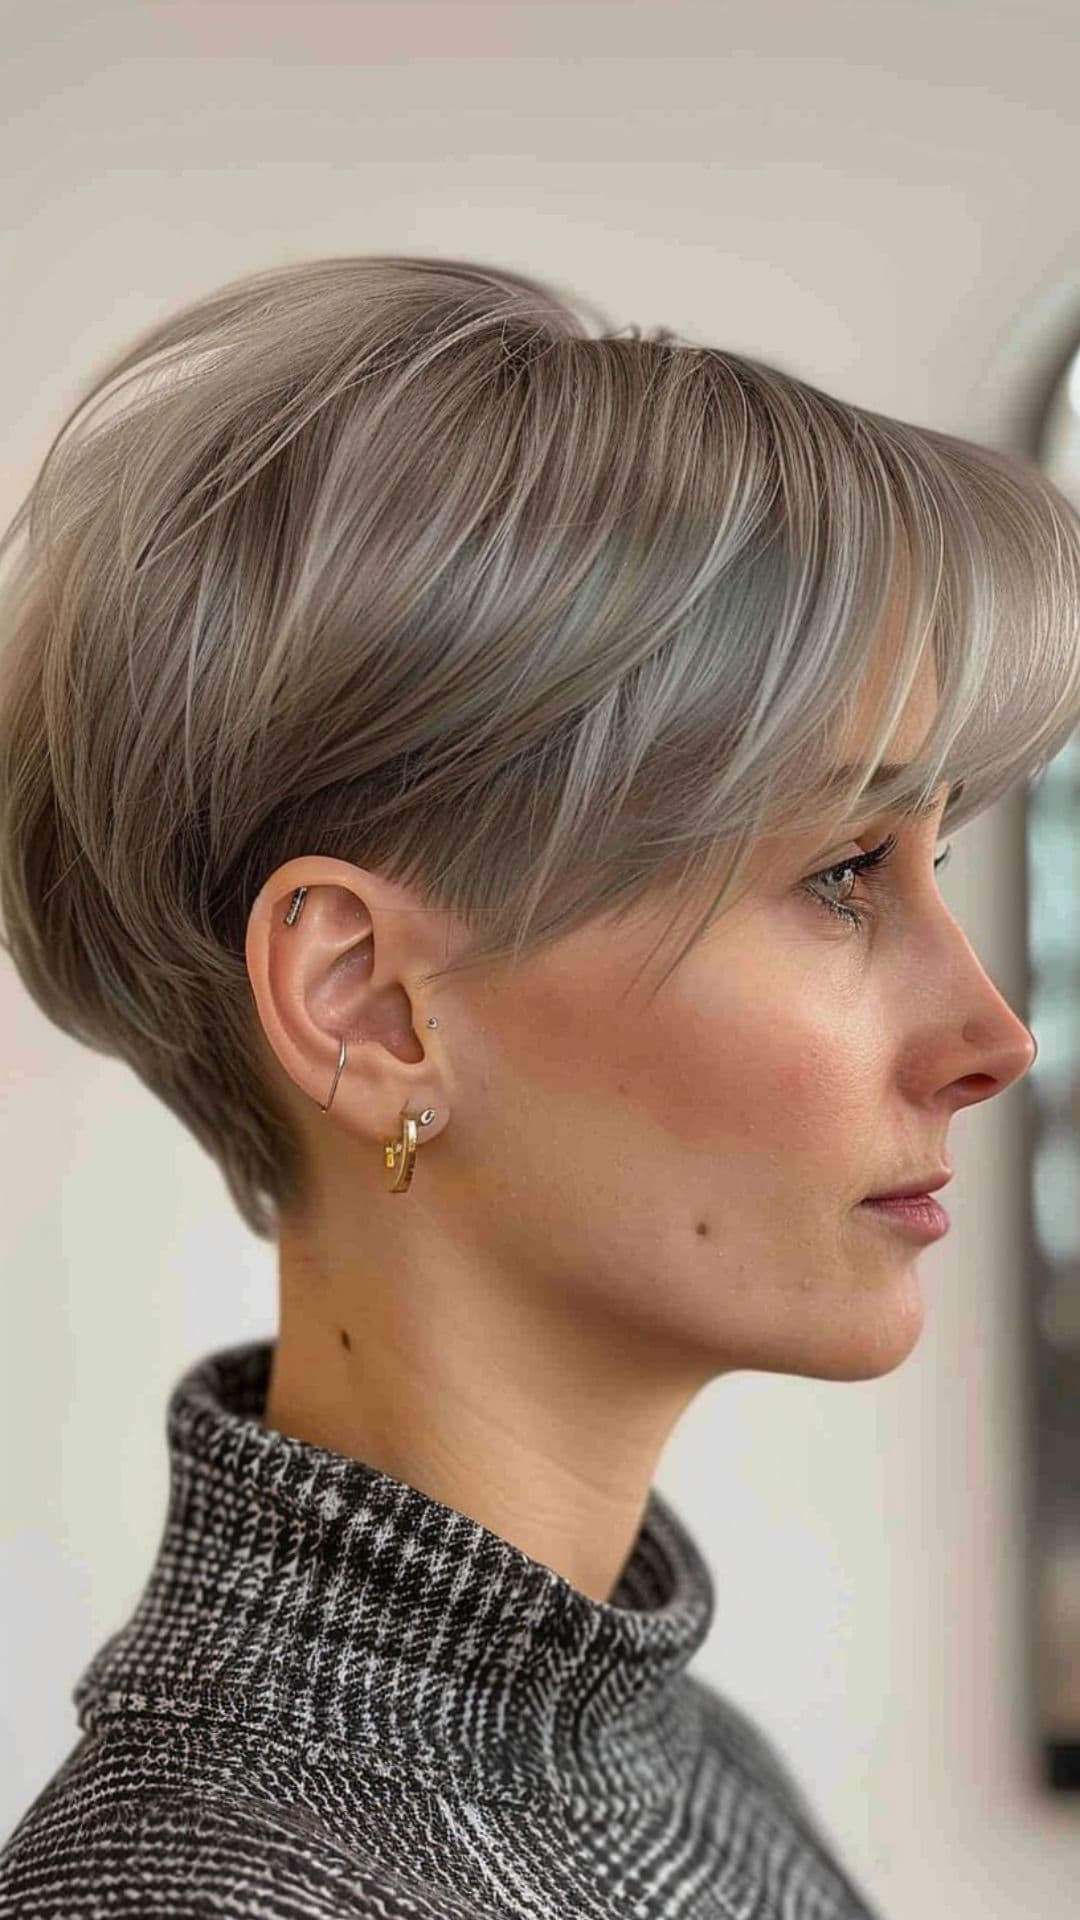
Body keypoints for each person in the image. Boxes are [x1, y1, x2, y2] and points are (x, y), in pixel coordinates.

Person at [0, 253, 1076, 1920]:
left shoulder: (678, 1753)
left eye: (942, 858)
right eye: (848, 872)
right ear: (369, 1004)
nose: (995, 1035)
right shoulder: (207, 1894)